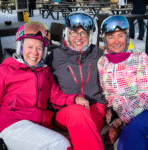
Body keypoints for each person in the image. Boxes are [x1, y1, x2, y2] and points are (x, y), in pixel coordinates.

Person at [0, 21, 89, 150]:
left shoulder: (45, 73)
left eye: (39, 48)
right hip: (13, 125)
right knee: (60, 144)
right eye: (29, 47)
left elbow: (56, 96)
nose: (34, 53)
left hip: (39, 128)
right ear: (20, 47)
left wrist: (75, 99)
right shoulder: (6, 70)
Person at [46, 12, 106, 150]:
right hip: (66, 109)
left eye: (83, 33)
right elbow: (43, 80)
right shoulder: (55, 56)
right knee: (79, 116)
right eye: (74, 33)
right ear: (67, 33)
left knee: (84, 134)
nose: (78, 38)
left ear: (89, 35)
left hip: (95, 106)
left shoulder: (97, 53)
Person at [98, 15, 148, 150]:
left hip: (143, 109)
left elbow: (145, 94)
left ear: (126, 36)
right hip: (120, 112)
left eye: (120, 35)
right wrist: (111, 112)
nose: (116, 41)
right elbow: (107, 93)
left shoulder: (139, 58)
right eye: (111, 37)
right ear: (105, 39)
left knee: (133, 130)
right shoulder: (103, 62)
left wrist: (125, 116)